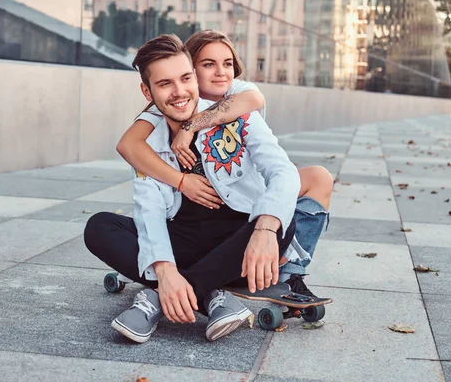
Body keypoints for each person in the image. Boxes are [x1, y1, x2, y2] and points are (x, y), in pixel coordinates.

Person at [84, 34, 301, 343]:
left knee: (282, 221)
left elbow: (284, 172)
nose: (179, 92)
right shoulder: (149, 143)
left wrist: (265, 229)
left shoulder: (237, 117)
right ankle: (208, 295)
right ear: (147, 91)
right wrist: (165, 269)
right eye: (165, 84)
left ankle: (156, 301)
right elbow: (150, 210)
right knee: (100, 227)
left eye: (186, 78)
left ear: (195, 77)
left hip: (239, 245)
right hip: (185, 242)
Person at [116, 30, 333, 295]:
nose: (220, 73)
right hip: (187, 232)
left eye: (227, 64)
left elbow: (256, 104)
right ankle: (200, 289)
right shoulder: (161, 112)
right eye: (208, 64)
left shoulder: (239, 101)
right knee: (102, 227)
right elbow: (129, 147)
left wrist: (191, 126)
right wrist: (182, 182)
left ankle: (288, 273)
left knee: (284, 216)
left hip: (238, 218)